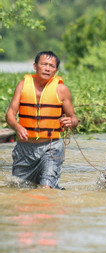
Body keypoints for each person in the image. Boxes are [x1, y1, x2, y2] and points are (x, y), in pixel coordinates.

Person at [5, 51, 79, 189]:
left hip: (51, 148)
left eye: (51, 66)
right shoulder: (22, 85)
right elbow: (10, 114)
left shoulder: (62, 90)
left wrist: (71, 122)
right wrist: (18, 127)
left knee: (46, 189)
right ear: (35, 66)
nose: (47, 68)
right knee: (19, 190)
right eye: (44, 64)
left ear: (56, 70)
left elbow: (74, 118)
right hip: (25, 149)